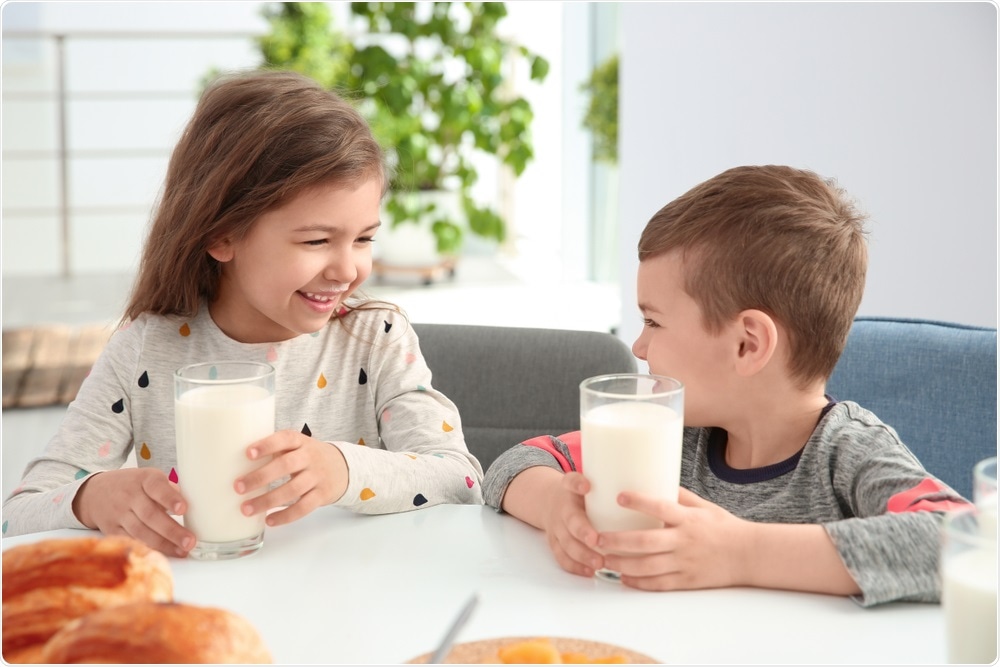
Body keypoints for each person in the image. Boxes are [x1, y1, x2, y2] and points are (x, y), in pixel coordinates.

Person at [3, 69, 484, 557]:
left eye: (364, 238)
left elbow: (461, 480)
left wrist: (343, 470)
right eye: (317, 241)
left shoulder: (377, 338)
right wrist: (90, 498)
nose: (347, 269)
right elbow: (17, 515)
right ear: (221, 235)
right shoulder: (144, 350)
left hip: (352, 592)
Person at [482, 165, 968, 606]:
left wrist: (740, 552)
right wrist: (557, 504)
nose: (639, 346)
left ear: (747, 344)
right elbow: (516, 462)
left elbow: (970, 544)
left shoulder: (846, 453)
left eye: (654, 321)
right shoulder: (673, 436)